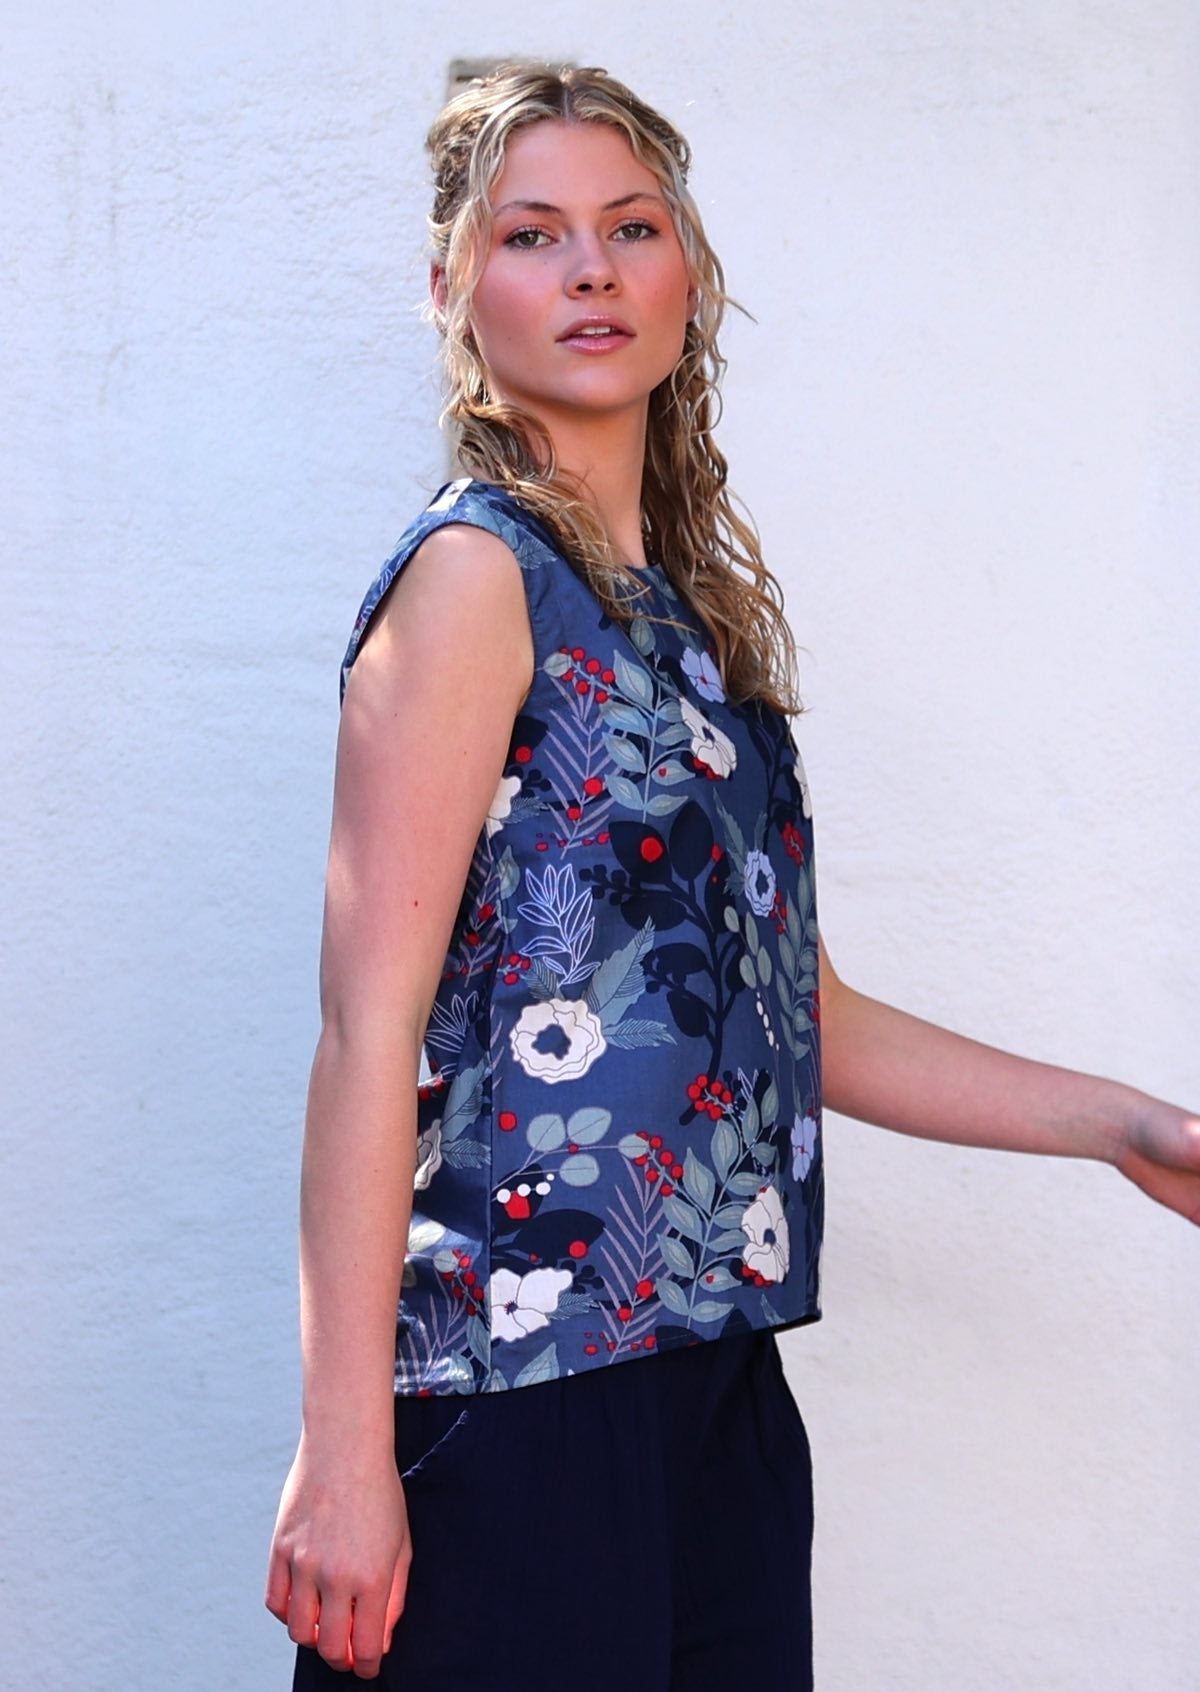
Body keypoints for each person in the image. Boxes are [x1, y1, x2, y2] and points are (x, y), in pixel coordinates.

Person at [264, 61, 1199, 1691]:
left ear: (690, 275)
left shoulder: (688, 634)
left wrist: (1120, 1126)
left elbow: (794, 1016)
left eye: (631, 228)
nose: (591, 271)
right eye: (532, 234)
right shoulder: (478, 580)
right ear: (451, 289)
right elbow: (365, 1028)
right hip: (515, 1392)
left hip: (711, 1374)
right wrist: (343, 1450)